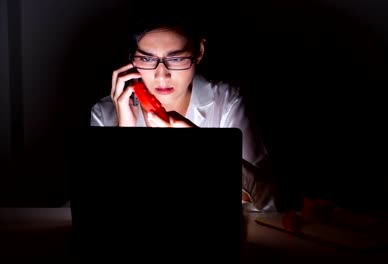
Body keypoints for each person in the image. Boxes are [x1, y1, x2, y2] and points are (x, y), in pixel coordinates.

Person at [88, 14, 276, 211]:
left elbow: (267, 203)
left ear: (199, 51)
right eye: (146, 58)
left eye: (176, 58)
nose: (162, 75)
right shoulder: (104, 112)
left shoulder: (227, 102)